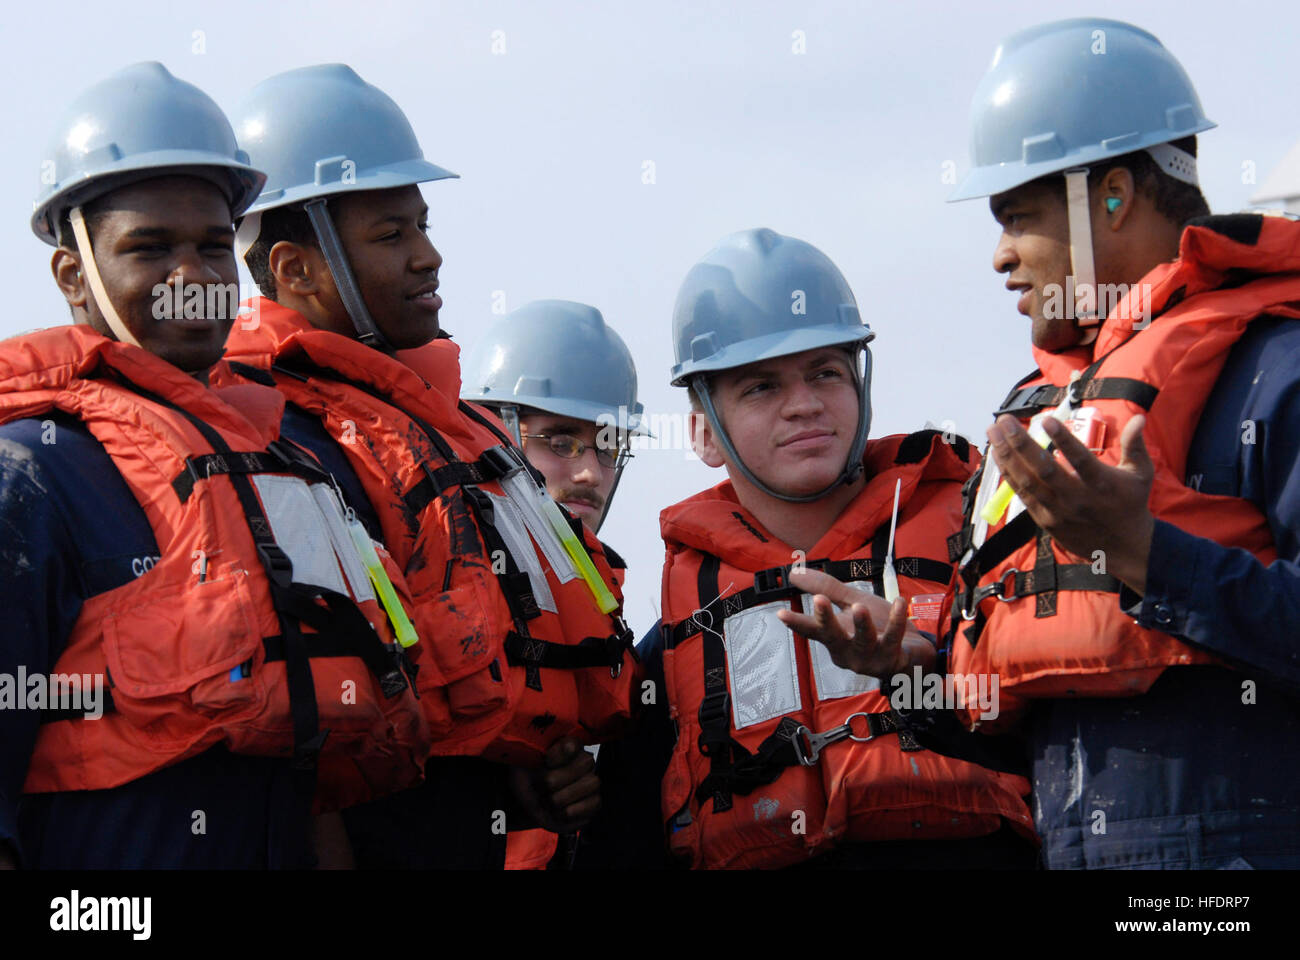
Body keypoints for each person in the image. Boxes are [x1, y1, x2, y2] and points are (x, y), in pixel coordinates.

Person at [814, 18, 1300, 869]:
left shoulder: (1274, 369)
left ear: (1111, 194)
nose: (1000, 257)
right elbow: (1018, 727)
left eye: (1017, 217)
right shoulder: (1047, 416)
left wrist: (1142, 552)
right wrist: (907, 671)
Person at [0, 63, 429, 869]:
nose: (191, 278)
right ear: (73, 276)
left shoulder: (287, 472)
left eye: (209, 247)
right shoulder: (31, 474)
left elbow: (305, 766)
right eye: (150, 249)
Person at [220, 66, 639, 868]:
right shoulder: (266, 440)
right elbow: (302, 736)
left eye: (423, 225)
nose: (429, 257)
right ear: (294, 268)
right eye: (392, 235)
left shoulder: (444, 429)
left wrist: (525, 779)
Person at [577, 228, 1036, 869]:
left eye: (826, 372)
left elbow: (1064, 744)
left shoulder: (979, 552)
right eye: (761, 387)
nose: (805, 405)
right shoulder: (664, 657)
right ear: (705, 434)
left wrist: (920, 677)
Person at [463, 299, 647, 867]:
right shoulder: (443, 593)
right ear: (496, 436)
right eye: (560, 442)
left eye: (609, 446)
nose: (590, 471)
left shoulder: (630, 644)